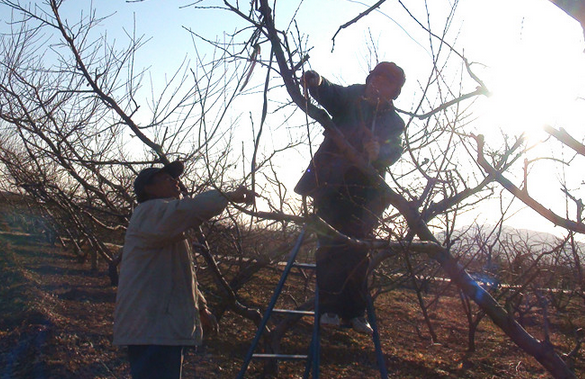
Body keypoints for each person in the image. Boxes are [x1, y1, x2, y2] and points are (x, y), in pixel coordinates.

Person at [113, 161, 255, 379]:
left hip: (158, 327)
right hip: (151, 329)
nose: (175, 181)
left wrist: (200, 309)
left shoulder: (165, 225)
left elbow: (181, 274)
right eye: (166, 178)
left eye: (175, 178)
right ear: (148, 189)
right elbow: (190, 209)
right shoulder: (150, 213)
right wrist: (227, 195)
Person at [294, 62, 406, 334]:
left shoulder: (394, 121)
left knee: (358, 250)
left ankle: (355, 312)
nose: (378, 84)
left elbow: (395, 149)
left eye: (387, 82)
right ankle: (329, 309)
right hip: (331, 183)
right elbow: (331, 93)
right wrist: (317, 81)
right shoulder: (352, 97)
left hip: (366, 193)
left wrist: (378, 152)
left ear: (394, 92)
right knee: (331, 244)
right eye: (376, 77)